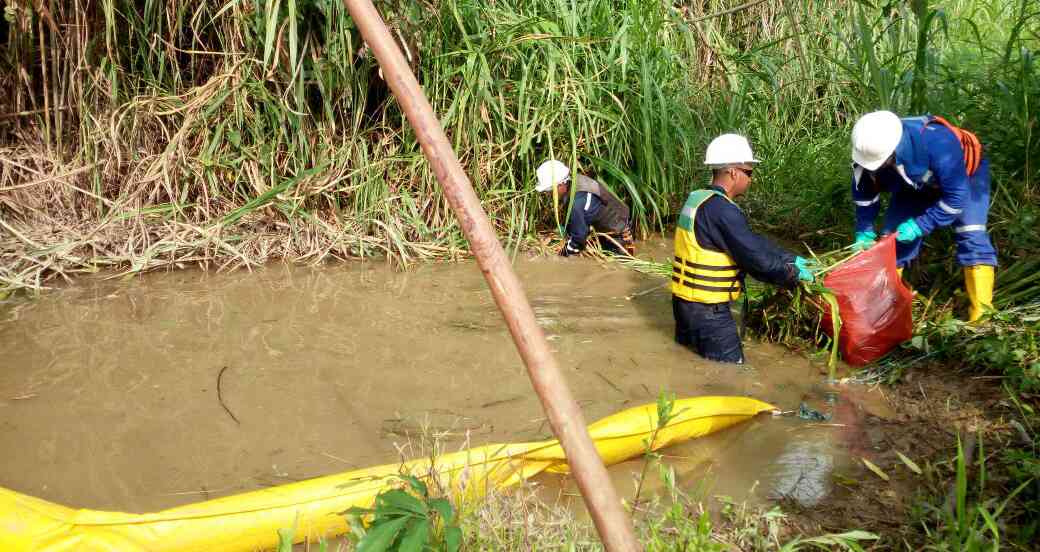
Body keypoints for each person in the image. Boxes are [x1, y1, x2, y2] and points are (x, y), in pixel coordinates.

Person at [671, 134, 814, 364]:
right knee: (731, 371)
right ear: (733, 172)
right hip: (709, 313)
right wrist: (793, 275)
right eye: (749, 172)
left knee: (686, 362)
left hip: (683, 306)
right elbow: (757, 261)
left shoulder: (697, 199)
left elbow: (750, 242)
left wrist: (790, 257)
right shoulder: (723, 210)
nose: (751, 179)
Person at [849, 111, 996, 321]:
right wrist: (864, 230)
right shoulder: (867, 152)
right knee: (891, 241)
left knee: (971, 233)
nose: (875, 167)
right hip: (913, 184)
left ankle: (982, 316)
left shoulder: (938, 142)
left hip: (965, 177)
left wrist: (920, 225)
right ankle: (883, 313)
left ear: (894, 150)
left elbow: (956, 199)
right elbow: (864, 197)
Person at [535, 160, 635, 256]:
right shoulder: (575, 181)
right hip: (610, 225)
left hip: (618, 234)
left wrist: (563, 255)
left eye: (550, 190)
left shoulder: (577, 202)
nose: (549, 194)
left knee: (617, 268)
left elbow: (579, 239)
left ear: (561, 184)